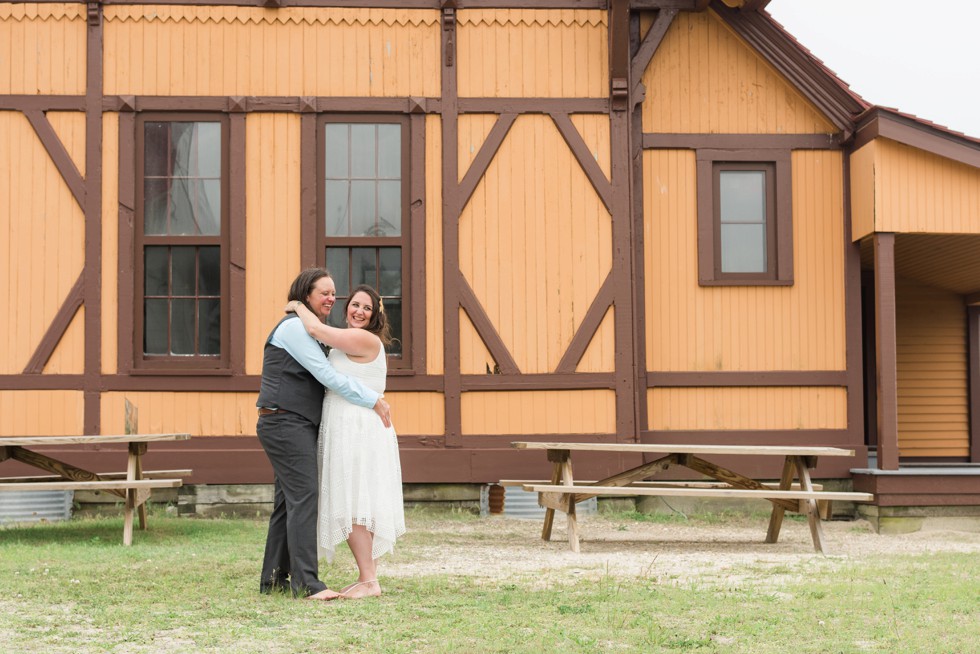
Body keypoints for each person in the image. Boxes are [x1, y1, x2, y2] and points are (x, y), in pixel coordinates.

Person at [256, 268, 391, 601]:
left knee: (288, 503)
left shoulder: (311, 330)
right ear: (306, 295)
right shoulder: (293, 329)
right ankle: (308, 584)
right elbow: (325, 374)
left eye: (334, 293)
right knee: (305, 498)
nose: (332, 298)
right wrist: (373, 399)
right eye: (324, 293)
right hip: (285, 420)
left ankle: (274, 578)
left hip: (294, 421)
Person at [287, 283, 406, 600]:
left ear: (375, 315)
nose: (359, 311)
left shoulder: (363, 339)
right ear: (347, 307)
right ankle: (367, 576)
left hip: (355, 427)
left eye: (366, 308)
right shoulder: (351, 340)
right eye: (355, 304)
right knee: (360, 501)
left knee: (353, 501)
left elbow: (314, 328)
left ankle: (369, 580)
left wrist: (298, 305)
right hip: (352, 424)